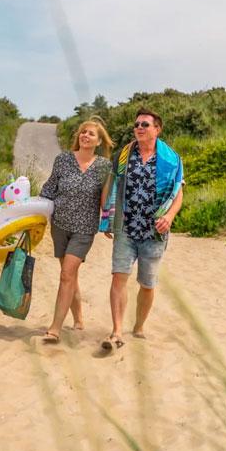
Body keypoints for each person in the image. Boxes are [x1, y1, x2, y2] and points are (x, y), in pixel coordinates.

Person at [100, 108, 184, 350]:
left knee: (147, 284)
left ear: (157, 129)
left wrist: (169, 216)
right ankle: (116, 331)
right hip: (126, 226)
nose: (138, 128)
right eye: (136, 124)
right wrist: (107, 217)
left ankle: (138, 326)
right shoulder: (124, 155)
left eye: (145, 124)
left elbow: (178, 194)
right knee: (119, 276)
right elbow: (112, 183)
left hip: (154, 230)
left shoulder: (171, 160)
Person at [37, 118, 114, 343]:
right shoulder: (63, 160)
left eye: (90, 134)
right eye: (82, 132)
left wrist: (108, 223)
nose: (85, 136)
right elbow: (49, 189)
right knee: (69, 276)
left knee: (66, 275)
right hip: (59, 225)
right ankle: (78, 317)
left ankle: (54, 328)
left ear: (99, 141)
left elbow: (105, 199)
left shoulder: (103, 167)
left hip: (84, 228)